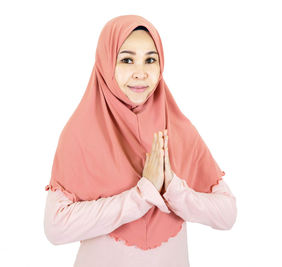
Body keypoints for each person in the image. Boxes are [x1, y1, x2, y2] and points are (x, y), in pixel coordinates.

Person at [43, 15, 237, 267]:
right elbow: (56, 228)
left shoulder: (178, 129)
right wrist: (142, 194)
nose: (141, 73)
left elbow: (227, 214)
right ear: (106, 63)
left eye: (150, 60)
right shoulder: (80, 133)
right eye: (126, 60)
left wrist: (173, 189)